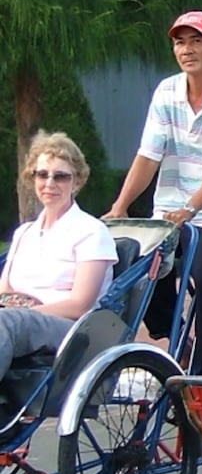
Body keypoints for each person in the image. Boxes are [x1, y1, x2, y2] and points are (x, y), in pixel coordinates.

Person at [105, 10, 202, 375]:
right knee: (140, 268)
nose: (187, 49)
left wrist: (191, 208)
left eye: (197, 41)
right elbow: (148, 155)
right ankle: (176, 340)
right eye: (180, 42)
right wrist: (121, 206)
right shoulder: (166, 92)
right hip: (171, 209)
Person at [0, 131, 117, 379]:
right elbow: (5, 292)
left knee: (6, 322)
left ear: (76, 182)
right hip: (20, 320)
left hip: (70, 328)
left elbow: (79, 304)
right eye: (42, 174)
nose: (50, 183)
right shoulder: (25, 233)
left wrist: (26, 313)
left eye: (61, 176)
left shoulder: (92, 231)